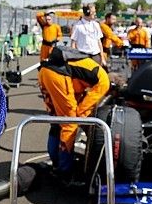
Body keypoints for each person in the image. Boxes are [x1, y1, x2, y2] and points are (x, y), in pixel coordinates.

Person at [37, 47, 110, 185]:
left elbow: (78, 90)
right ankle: (65, 173)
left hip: (45, 72)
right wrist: (80, 118)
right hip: (58, 76)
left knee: (56, 123)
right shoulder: (104, 82)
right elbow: (82, 110)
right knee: (69, 124)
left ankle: (56, 164)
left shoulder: (88, 70)